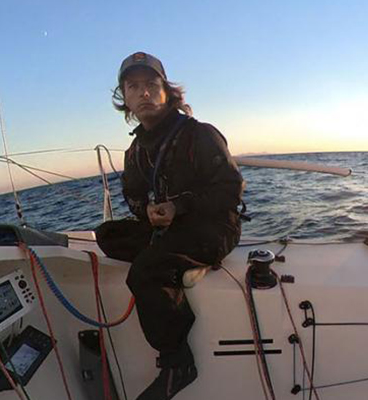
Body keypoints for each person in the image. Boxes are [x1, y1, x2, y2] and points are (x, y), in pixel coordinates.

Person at [95, 51, 244, 400]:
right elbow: (132, 196)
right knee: (107, 236)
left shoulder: (200, 135)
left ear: (167, 92)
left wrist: (179, 206)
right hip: (168, 230)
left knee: (144, 271)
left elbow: (230, 189)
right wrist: (146, 211)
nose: (143, 93)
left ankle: (178, 363)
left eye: (151, 85)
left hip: (213, 226)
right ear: (125, 99)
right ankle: (172, 266)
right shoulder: (134, 151)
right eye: (134, 87)